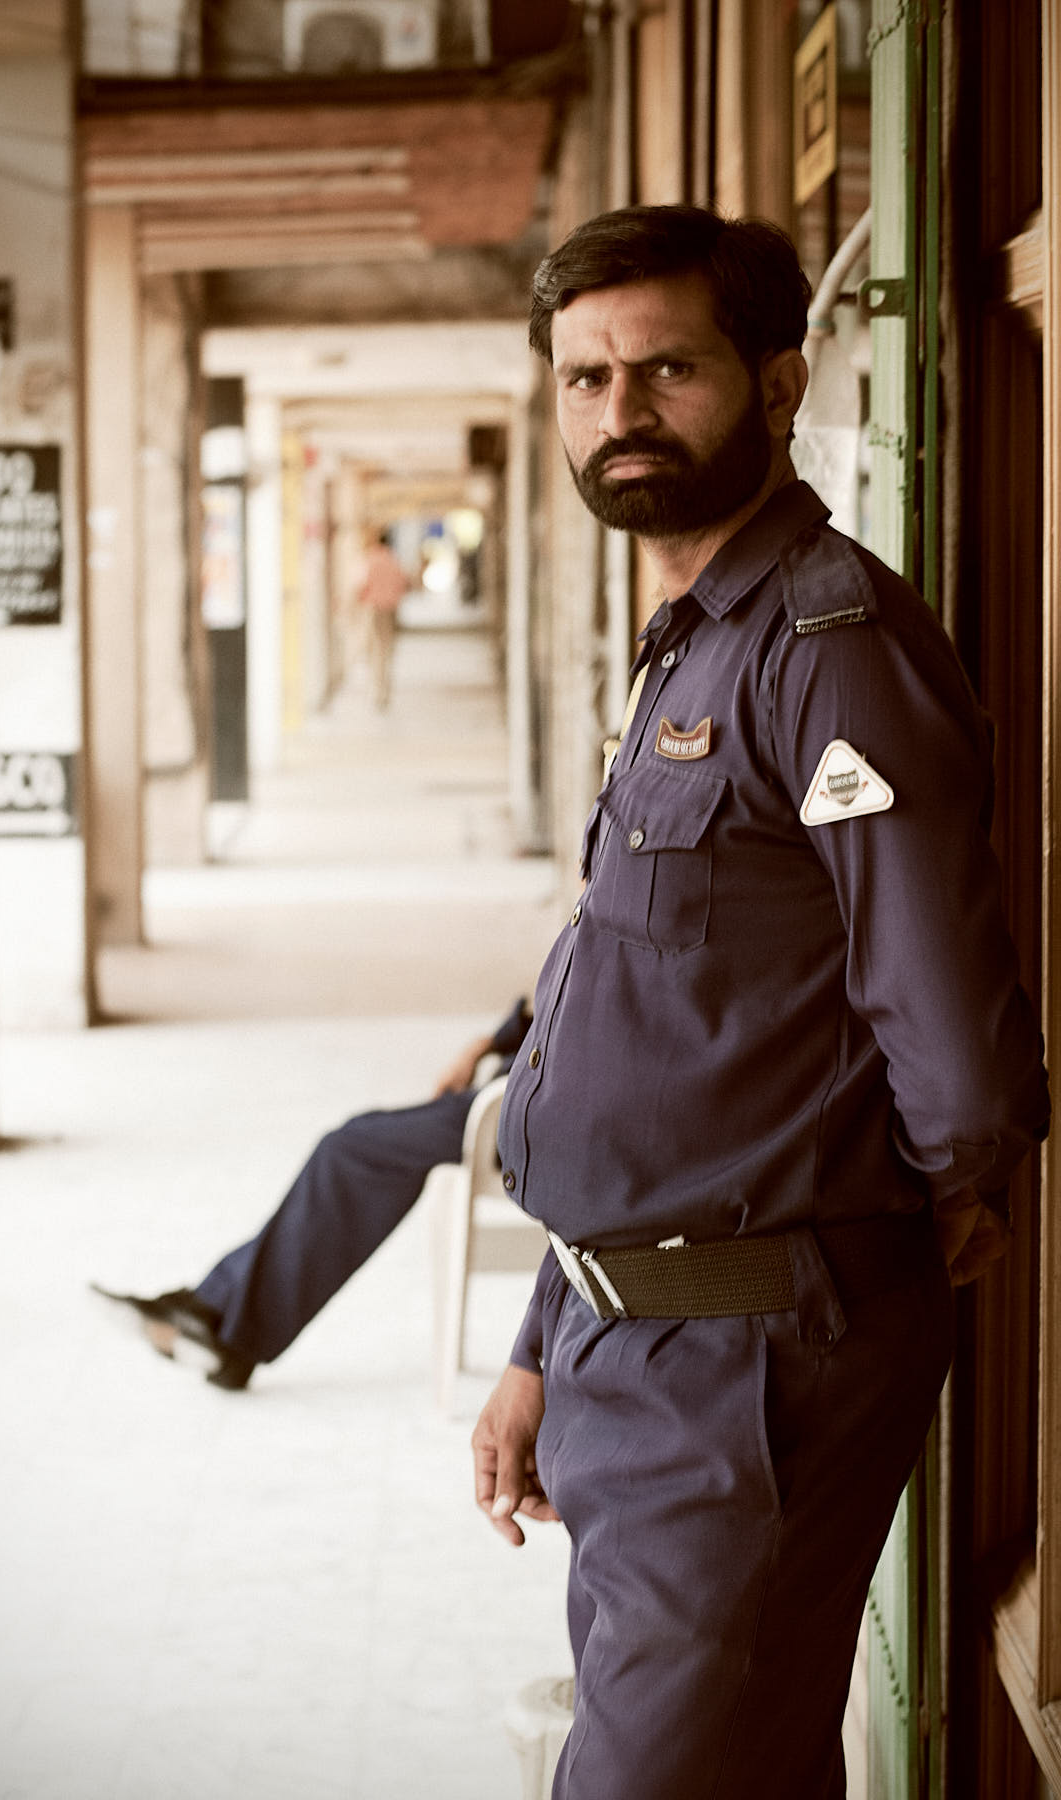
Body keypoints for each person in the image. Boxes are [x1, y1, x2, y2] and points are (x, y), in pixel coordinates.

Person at [470, 204, 1049, 1800]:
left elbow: (955, 1036)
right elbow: (642, 1024)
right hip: (628, 1339)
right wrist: (544, 1334)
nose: (621, 412)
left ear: (780, 384)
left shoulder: (827, 646)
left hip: (749, 1365)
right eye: (585, 378)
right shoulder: (689, 643)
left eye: (667, 369)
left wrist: (931, 1198)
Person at [93, 999, 531, 1389]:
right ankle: (219, 1321)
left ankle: (219, 1321)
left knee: (351, 1150)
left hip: (527, 1107)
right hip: (520, 1085)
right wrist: (489, 1042)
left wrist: (495, 1046)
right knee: (355, 1143)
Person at [354, 526, 409, 708]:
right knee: (386, 650)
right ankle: (385, 689)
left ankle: (377, 690)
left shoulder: (370, 559)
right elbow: (403, 583)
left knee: (374, 651)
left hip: (374, 610)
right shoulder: (393, 560)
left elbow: (362, 586)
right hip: (391, 610)